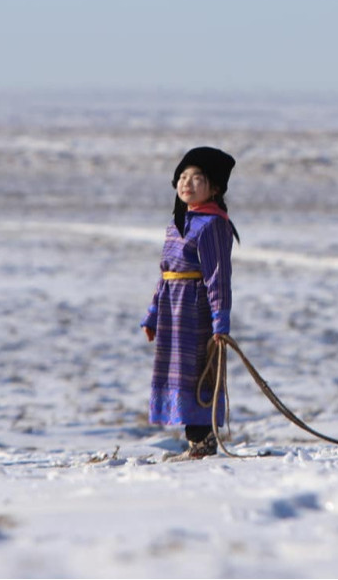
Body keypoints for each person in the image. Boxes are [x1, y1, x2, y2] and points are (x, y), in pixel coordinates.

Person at [141, 146, 240, 459]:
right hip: (173, 309)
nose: (187, 183)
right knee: (179, 374)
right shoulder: (178, 223)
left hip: (195, 310)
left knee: (199, 372)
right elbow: (166, 274)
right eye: (183, 176)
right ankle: (194, 442)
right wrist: (153, 315)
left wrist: (220, 322)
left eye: (197, 178)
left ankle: (203, 442)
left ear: (214, 188)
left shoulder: (213, 225)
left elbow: (217, 276)